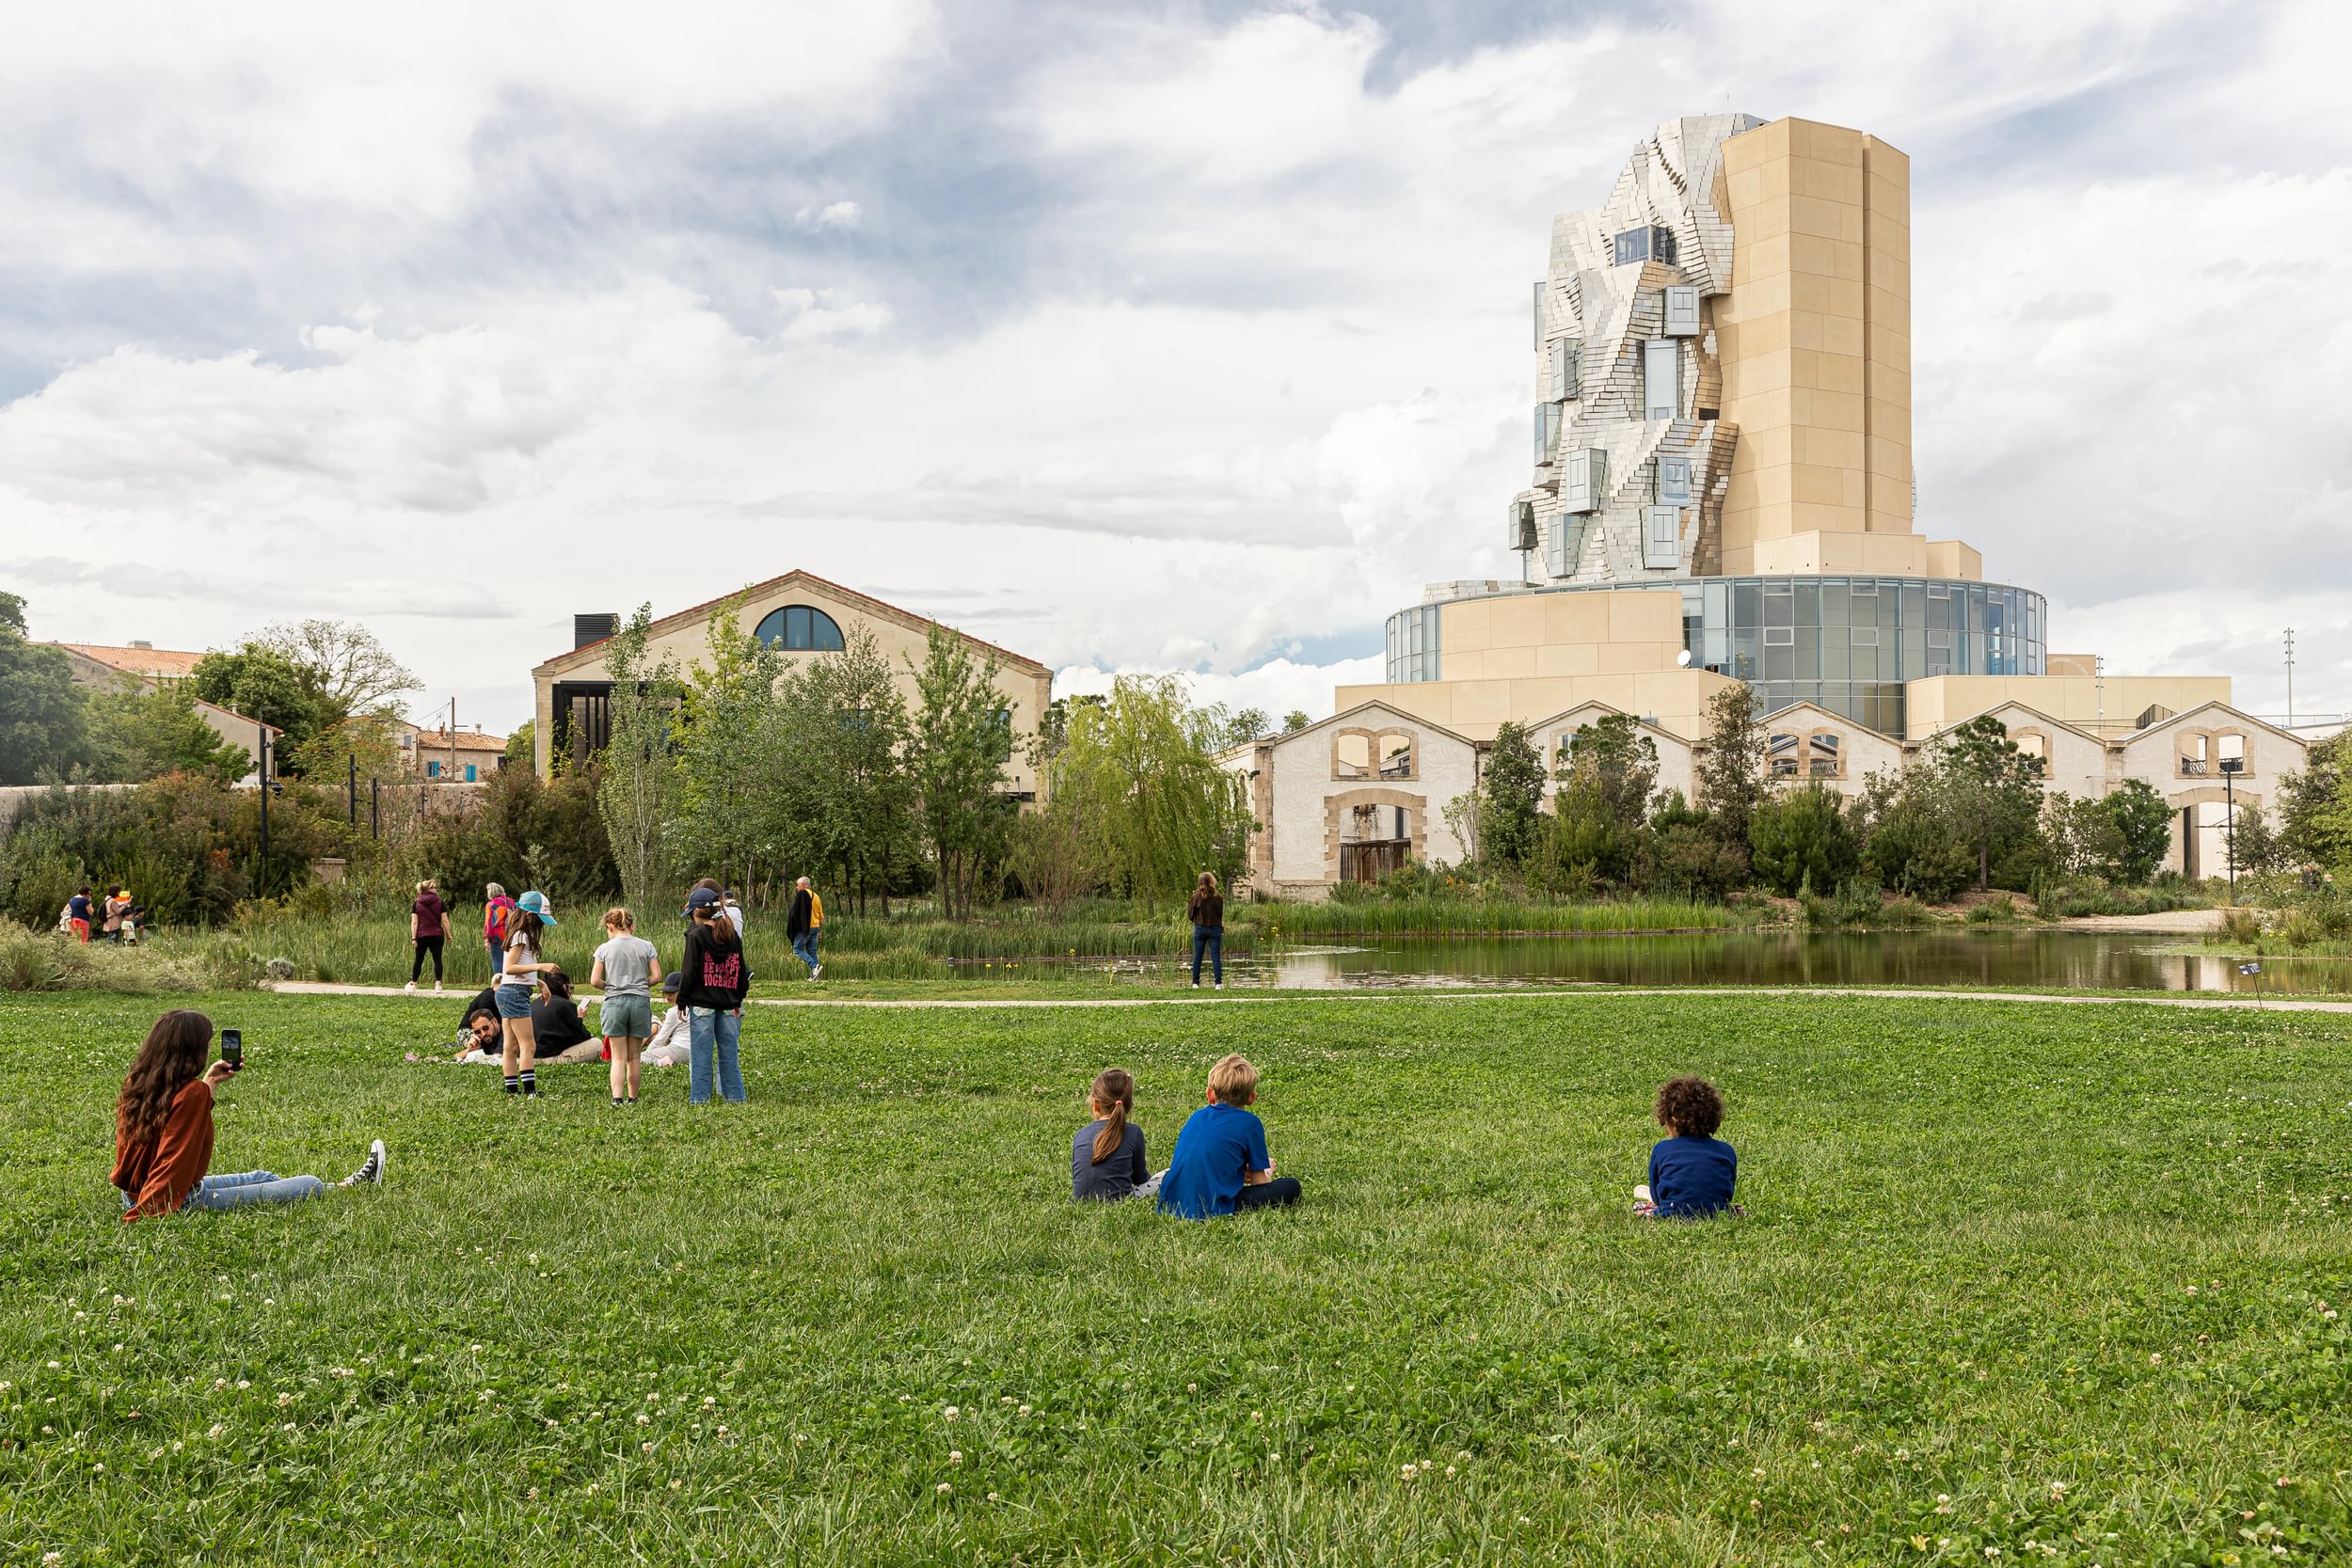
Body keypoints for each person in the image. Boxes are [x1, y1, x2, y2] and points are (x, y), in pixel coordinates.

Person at [112, 1009, 383, 1220]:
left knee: (263, 1177)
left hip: (135, 1193)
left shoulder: (139, 1083)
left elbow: (170, 1130)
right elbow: (174, 1158)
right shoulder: (191, 1093)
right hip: (178, 1198)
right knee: (309, 1184)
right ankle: (345, 1186)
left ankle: (328, 1186)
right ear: (193, 1051)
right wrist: (148, 1211)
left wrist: (210, 1084)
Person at [1157, 1053, 1300, 1218]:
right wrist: (1267, 1170)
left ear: (1209, 1094)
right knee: (1290, 1186)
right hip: (1214, 1207)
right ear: (1251, 1098)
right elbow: (1259, 1184)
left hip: (1171, 1202)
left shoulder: (1196, 1116)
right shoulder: (1250, 1123)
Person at [678, 886, 750, 1103]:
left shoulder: (696, 935)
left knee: (701, 1055)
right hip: (730, 1004)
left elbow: (689, 972)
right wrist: (738, 998)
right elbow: (742, 972)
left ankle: (700, 1100)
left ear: (698, 912)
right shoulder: (732, 936)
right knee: (728, 1055)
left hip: (702, 1005)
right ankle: (735, 1097)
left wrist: (682, 1000)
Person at [1634, 1075, 1739, 1219]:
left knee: (1640, 1207)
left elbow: (1658, 1197)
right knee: (1735, 1210)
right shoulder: (1726, 1151)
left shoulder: (1662, 1150)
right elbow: (1728, 1192)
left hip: (1672, 1212)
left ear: (1672, 1120)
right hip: (1716, 1212)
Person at [590, 907, 662, 1107]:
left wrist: (611, 987)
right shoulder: (646, 946)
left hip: (615, 1002)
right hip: (639, 1002)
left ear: (609, 926)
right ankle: (633, 1098)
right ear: (632, 926)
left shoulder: (604, 948)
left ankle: (617, 1099)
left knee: (618, 1057)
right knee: (634, 1056)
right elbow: (657, 976)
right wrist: (639, 985)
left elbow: (595, 980)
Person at [497, 891, 560, 1097]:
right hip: (514, 993)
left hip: (509, 991)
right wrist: (541, 966)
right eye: (540, 919)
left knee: (511, 1046)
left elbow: (517, 969)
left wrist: (539, 981)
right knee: (528, 1045)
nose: (541, 925)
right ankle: (530, 1091)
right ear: (530, 915)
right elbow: (511, 968)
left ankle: (512, 1090)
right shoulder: (522, 935)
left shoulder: (516, 933)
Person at [1073, 1068, 1161, 1202]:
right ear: (1129, 1106)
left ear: (1096, 1105)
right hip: (1120, 1201)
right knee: (1168, 1174)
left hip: (1081, 1201)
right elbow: (1140, 1179)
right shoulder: (1134, 1132)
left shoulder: (1081, 1134)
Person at [532, 970, 598, 1061]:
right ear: (564, 987)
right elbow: (583, 1036)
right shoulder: (565, 1005)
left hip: (527, 1056)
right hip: (550, 1056)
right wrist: (579, 1018)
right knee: (597, 1044)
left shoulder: (533, 1004)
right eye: (570, 988)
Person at [407, 879, 449, 992]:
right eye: (434, 887)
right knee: (437, 960)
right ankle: (438, 985)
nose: (436, 889)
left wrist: (413, 938)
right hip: (437, 935)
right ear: (429, 889)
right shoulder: (440, 902)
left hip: (422, 935)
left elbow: (414, 922)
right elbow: (444, 920)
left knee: (419, 960)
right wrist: (449, 934)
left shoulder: (416, 903)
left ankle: (414, 984)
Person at [1187, 872, 1225, 990]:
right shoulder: (1218, 897)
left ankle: (1195, 983)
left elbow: (1190, 915)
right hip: (1215, 928)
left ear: (1200, 882)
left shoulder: (1195, 897)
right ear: (1212, 882)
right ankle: (1218, 983)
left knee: (1198, 956)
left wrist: (1196, 919)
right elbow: (1220, 914)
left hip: (1199, 928)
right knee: (1215, 957)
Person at [644, 973, 691, 1068]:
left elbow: (660, 1039)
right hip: (693, 1052)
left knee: (636, 1058)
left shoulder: (674, 1012)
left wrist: (648, 1053)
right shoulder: (693, 1007)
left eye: (672, 992)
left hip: (679, 1049)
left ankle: (662, 1062)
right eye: (666, 992)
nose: (667, 995)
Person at [785, 876, 823, 980]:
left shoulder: (802, 895)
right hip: (815, 926)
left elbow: (797, 913)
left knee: (797, 949)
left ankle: (814, 966)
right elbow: (820, 915)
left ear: (804, 885)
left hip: (806, 928)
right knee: (812, 951)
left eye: (798, 885)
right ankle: (815, 976)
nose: (797, 887)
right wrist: (819, 930)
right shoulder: (816, 896)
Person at [483, 883, 517, 985]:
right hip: (511, 934)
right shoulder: (511, 902)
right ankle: (511, 983)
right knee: (510, 959)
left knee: (497, 959)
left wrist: (487, 939)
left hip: (497, 936)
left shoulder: (491, 904)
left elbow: (489, 923)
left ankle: (499, 984)